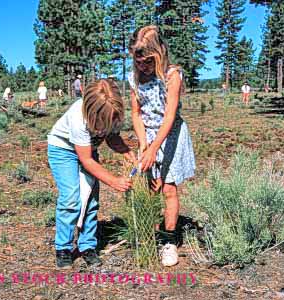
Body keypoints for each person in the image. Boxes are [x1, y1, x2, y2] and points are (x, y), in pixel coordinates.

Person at [47, 79, 136, 269]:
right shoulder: (78, 117)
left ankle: (87, 246)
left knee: (91, 201)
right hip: (63, 150)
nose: (106, 125)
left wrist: (126, 152)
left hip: (88, 150)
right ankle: (63, 247)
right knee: (71, 198)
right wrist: (113, 181)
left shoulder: (112, 112)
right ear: (92, 112)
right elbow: (87, 160)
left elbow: (112, 137)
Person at [128, 25, 196, 267]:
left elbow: (168, 116)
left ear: (159, 54)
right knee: (149, 186)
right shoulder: (133, 78)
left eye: (147, 62)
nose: (142, 67)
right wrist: (144, 144)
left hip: (170, 136)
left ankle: (169, 240)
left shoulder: (172, 76)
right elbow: (136, 114)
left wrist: (155, 147)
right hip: (149, 137)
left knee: (168, 188)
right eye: (138, 62)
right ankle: (150, 232)